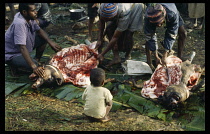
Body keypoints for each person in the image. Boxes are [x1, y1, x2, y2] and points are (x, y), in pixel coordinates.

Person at [5, 3, 62, 77]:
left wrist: (51, 42)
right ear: (25, 12)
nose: (36, 12)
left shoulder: (29, 18)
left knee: (44, 38)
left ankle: (36, 59)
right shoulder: (19, 23)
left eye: (35, 10)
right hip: (13, 54)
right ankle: (14, 66)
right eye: (33, 10)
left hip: (24, 46)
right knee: (38, 68)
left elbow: (39, 30)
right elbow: (22, 48)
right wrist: (34, 66)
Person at [144, 3, 187, 69]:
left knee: (183, 33)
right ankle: (149, 62)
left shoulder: (172, 14)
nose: (158, 26)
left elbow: (171, 34)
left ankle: (179, 58)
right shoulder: (148, 16)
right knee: (149, 37)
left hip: (170, 8)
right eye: (156, 24)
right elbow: (150, 36)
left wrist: (165, 54)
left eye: (160, 23)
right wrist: (156, 56)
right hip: (154, 13)